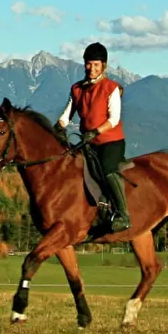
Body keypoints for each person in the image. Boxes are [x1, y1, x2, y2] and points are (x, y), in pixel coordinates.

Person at [57, 41, 130, 232]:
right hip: (87, 142)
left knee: (107, 169)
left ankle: (123, 215)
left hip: (110, 141)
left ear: (103, 66)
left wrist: (96, 131)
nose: (92, 68)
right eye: (89, 64)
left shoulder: (111, 88)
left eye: (96, 64)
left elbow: (114, 119)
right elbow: (66, 115)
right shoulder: (77, 89)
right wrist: (58, 127)